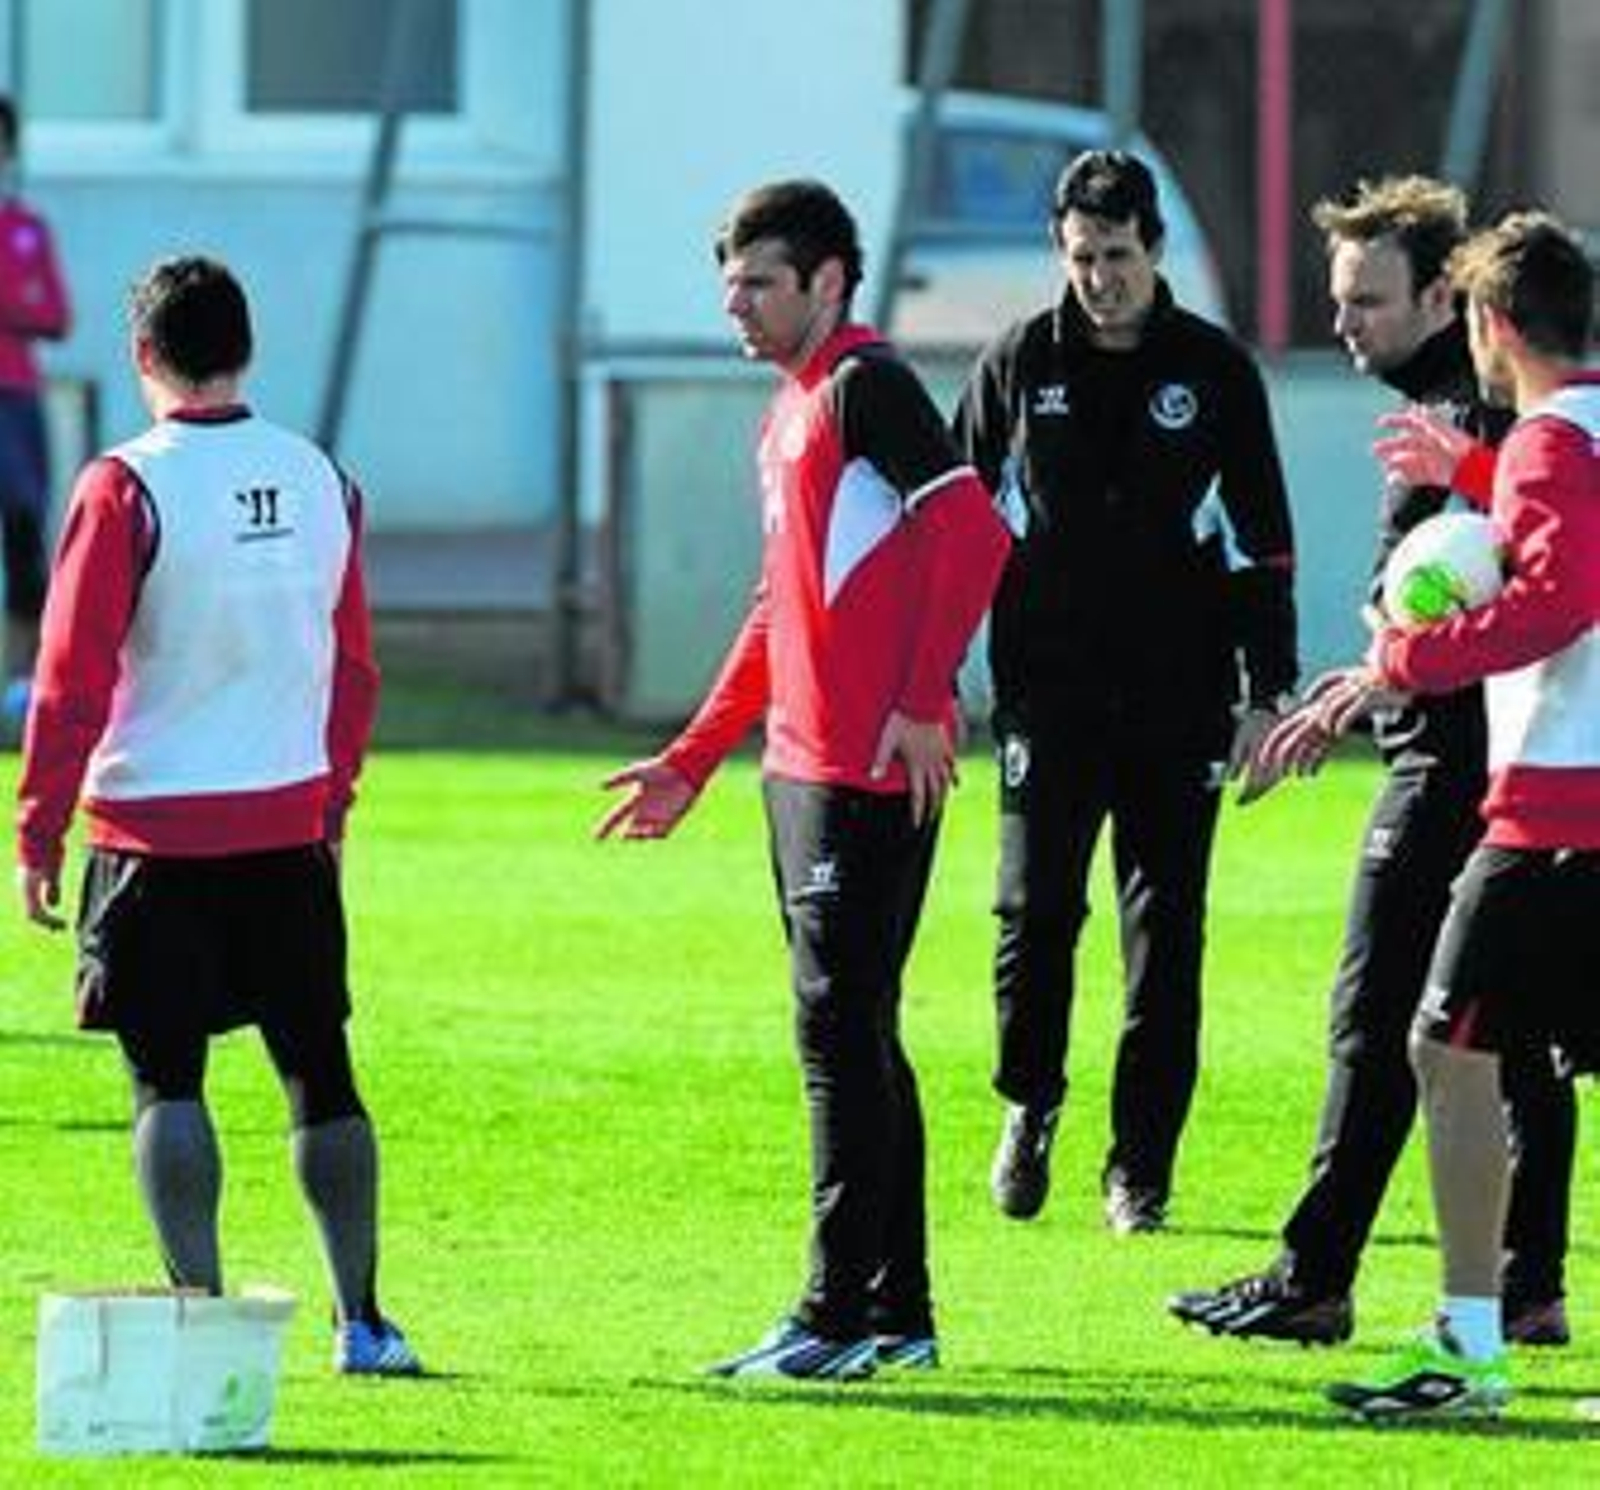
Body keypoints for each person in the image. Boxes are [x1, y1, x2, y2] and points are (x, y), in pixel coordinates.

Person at [598, 179, 1008, 1379]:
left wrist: (926, 693)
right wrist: (691, 759)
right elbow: (778, 610)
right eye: (727, 284)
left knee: (836, 1031)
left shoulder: (863, 386)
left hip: (863, 771)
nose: (738, 304)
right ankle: (898, 1314)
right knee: (858, 1029)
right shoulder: (783, 411)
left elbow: (976, 533)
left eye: (759, 283)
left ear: (829, 281)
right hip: (798, 768)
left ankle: (833, 1315)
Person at [1169, 177, 1576, 1347]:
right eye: (1336, 297)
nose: (1343, 322)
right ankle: (1526, 1282)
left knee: (1381, 1019)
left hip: (1451, 766)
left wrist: (1371, 678)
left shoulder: (1484, 417)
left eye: (1367, 299)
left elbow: (1526, 588)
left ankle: (1316, 1276)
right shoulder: (1462, 413)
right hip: (1475, 762)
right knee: (1511, 1037)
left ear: (1449, 297)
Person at [14, 255, 419, 1377]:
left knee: (166, 1079)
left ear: (143, 354)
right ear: (245, 349)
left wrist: (38, 831)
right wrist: (330, 803)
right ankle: (366, 1320)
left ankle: (198, 1316)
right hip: (288, 831)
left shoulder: (123, 485)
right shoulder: (322, 476)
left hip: (151, 833)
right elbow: (355, 668)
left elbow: (69, 677)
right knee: (320, 1070)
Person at [951, 149, 1297, 1233]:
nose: (1097, 276)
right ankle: (1030, 1103)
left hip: (1176, 695)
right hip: (1046, 694)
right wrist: (928, 673)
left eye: (1115, 255)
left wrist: (1264, 690)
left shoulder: (1214, 368)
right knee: (1033, 910)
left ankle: (1138, 1167)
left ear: (1153, 248)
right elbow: (956, 524)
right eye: (1079, 256)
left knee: (1165, 928)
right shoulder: (1017, 359)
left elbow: (1260, 542)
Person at [1320, 212, 1600, 1420]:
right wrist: (1475, 479)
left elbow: (1557, 601)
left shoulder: (1549, 440)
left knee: (1445, 1047)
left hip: (1554, 811)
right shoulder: (1576, 434)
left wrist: (1408, 652)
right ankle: (1474, 1326)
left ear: (1488, 325)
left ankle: (1467, 1339)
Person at [0, 95, 71, 726]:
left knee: (25, 524)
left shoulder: (27, 229)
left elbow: (54, 316)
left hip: (17, 396)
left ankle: (25, 680)